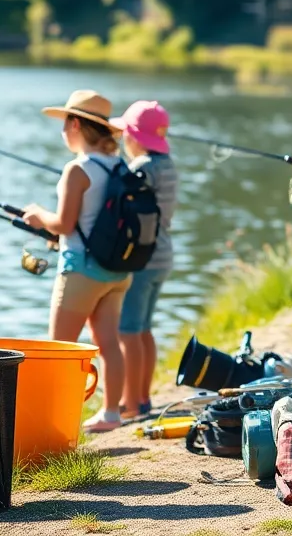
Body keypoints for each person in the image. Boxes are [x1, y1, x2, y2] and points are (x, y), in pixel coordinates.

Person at [21, 90, 130, 433]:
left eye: (65, 123)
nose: (63, 131)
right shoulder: (120, 165)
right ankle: (111, 414)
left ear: (76, 124)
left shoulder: (78, 169)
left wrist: (39, 216)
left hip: (81, 271)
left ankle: (56, 427)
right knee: (109, 342)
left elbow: (65, 224)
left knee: (60, 351)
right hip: (117, 271)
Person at [111, 100, 179, 419]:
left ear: (135, 137)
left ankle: (130, 404)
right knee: (144, 329)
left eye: (126, 133)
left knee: (127, 331)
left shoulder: (142, 168)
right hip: (162, 254)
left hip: (141, 258)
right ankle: (143, 396)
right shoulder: (167, 164)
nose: (124, 140)